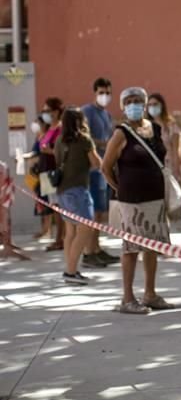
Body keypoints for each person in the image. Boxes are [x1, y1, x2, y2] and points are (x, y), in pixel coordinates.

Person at [101, 87, 174, 314]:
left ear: (144, 104)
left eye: (138, 101)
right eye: (129, 101)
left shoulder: (154, 128)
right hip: (131, 202)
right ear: (123, 107)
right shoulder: (121, 133)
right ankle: (127, 298)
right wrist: (120, 188)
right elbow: (105, 167)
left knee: (152, 248)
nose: (134, 104)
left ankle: (150, 293)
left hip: (155, 199)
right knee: (131, 249)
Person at [54, 108, 102, 285]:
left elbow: (59, 162)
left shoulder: (59, 140)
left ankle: (71, 269)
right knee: (85, 229)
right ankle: (70, 271)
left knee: (70, 232)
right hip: (78, 190)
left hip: (62, 191)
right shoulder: (84, 140)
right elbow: (97, 163)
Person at [80, 77, 120, 267]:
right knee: (94, 211)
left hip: (104, 167)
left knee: (101, 211)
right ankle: (88, 252)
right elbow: (84, 137)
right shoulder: (87, 112)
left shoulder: (106, 114)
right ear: (95, 92)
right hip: (92, 168)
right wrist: (105, 144)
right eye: (101, 92)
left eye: (108, 92)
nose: (105, 96)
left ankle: (96, 248)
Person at [38, 98, 65, 251]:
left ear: (56, 111)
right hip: (45, 171)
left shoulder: (60, 128)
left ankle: (59, 239)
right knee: (53, 207)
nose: (45, 114)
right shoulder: (49, 128)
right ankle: (58, 237)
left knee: (58, 207)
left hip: (54, 172)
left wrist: (47, 150)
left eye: (47, 111)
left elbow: (59, 151)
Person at [146, 93, 181, 177]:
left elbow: (176, 151)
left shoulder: (171, 126)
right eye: (150, 105)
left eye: (155, 104)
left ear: (162, 105)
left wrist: (177, 171)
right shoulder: (145, 126)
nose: (152, 107)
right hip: (150, 169)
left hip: (168, 168)